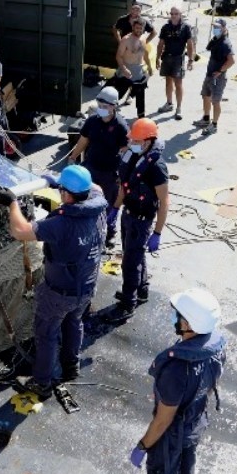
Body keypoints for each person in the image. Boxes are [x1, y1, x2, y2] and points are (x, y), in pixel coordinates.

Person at [0, 165, 107, 398]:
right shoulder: (97, 204)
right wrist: (59, 182)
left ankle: (42, 382)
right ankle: (70, 366)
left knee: (46, 333)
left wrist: (13, 202)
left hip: (58, 293)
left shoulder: (62, 224)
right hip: (86, 286)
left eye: (61, 191)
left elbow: (20, 230)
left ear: (67, 195)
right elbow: (94, 186)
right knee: (74, 323)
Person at [129, 288, 227, 474]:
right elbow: (210, 386)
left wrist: (142, 446)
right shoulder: (216, 349)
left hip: (171, 437)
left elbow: (163, 421)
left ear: (188, 323)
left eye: (178, 315)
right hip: (195, 423)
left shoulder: (176, 369)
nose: (174, 317)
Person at [104, 118, 169, 323]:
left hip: (142, 220)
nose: (132, 143)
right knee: (135, 254)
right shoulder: (133, 156)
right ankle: (142, 290)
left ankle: (127, 304)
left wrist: (157, 233)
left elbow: (164, 201)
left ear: (148, 142)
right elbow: (125, 185)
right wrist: (115, 208)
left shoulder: (156, 167)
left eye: (136, 140)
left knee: (130, 262)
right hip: (129, 214)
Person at [68, 87, 129, 249]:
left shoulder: (121, 127)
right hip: (90, 170)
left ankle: (109, 233)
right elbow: (83, 141)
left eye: (105, 106)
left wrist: (124, 174)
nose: (102, 109)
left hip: (110, 174)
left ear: (114, 106)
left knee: (109, 205)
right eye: (100, 105)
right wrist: (73, 157)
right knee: (86, 201)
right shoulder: (92, 121)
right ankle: (88, 229)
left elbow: (126, 152)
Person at [192, 18, 235, 135]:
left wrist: (220, 71)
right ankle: (206, 119)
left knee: (215, 101)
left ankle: (214, 125)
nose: (215, 29)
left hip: (218, 78)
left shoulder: (226, 43)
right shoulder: (216, 39)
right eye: (214, 27)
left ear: (224, 28)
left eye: (217, 27)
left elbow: (231, 61)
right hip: (209, 74)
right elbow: (207, 49)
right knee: (205, 95)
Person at [155, 7, 195, 120]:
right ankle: (169, 103)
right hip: (167, 57)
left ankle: (179, 108)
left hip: (179, 59)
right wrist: (157, 58)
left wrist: (191, 60)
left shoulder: (186, 27)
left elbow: (190, 45)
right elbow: (160, 44)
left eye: (176, 14)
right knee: (168, 82)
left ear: (180, 14)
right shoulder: (165, 27)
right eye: (171, 13)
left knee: (178, 84)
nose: (173, 16)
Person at [115, 18, 152, 119]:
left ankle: (141, 118)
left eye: (140, 28)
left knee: (140, 96)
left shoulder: (143, 39)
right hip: (125, 71)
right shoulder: (126, 39)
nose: (138, 30)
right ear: (133, 27)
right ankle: (108, 114)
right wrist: (124, 69)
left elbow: (145, 55)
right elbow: (118, 56)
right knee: (118, 94)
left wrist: (149, 67)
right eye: (136, 28)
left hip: (138, 71)